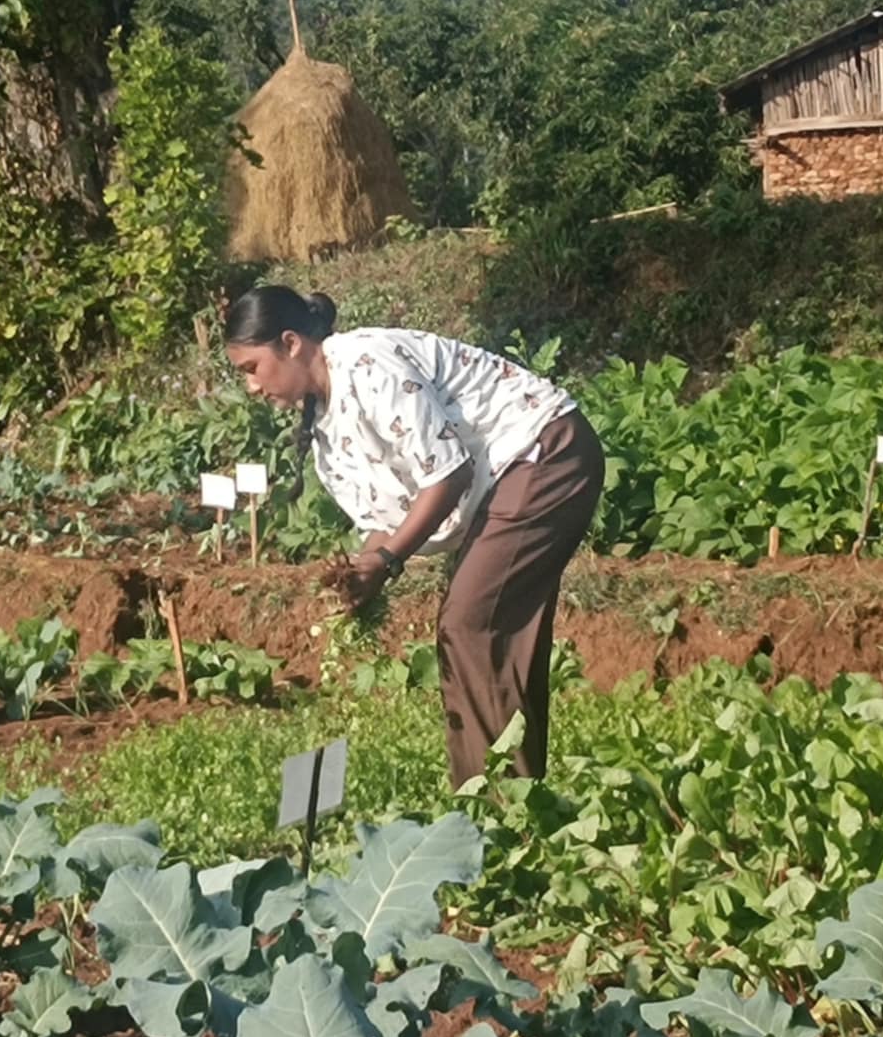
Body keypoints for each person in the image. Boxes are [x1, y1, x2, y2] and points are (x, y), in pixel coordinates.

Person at [223, 285, 604, 787]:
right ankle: (506, 801)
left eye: (251, 368)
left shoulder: (366, 365)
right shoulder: (327, 433)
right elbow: (388, 515)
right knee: (487, 631)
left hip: (544, 452)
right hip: (511, 477)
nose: (251, 387)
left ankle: (501, 808)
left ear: (291, 343)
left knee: (472, 623)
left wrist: (387, 560)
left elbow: (448, 476)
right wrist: (361, 571)